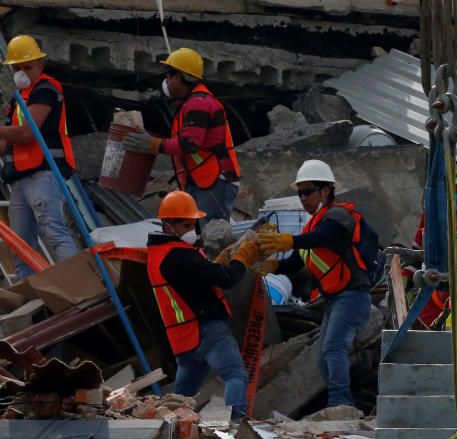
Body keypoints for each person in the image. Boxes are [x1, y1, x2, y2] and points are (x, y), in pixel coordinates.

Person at [257, 159, 372, 408]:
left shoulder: (337, 215)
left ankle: (341, 405)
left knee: (333, 348)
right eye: (299, 193)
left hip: (352, 297)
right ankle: (342, 404)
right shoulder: (312, 224)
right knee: (324, 357)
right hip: (336, 300)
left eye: (307, 192)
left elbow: (324, 237)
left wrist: (290, 240)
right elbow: (296, 262)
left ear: (326, 190)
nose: (303, 198)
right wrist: (273, 266)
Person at [147, 191, 253, 418]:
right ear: (168, 226)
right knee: (236, 375)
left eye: (193, 225)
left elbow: (196, 276)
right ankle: (237, 425)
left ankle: (169, 428)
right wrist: (242, 258)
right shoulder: (180, 256)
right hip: (206, 328)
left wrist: (214, 264)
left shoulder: (158, 255)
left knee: (181, 397)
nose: (192, 231)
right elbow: (227, 278)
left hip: (183, 339)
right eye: (186, 225)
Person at [123, 47, 240, 222]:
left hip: (214, 180)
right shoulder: (192, 102)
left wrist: (154, 145)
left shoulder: (198, 103)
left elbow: (190, 143)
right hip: (207, 180)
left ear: (178, 77)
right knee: (203, 238)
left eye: (169, 76)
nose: (166, 81)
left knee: (211, 237)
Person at [0, 35, 79, 279]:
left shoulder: (47, 90)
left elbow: (26, 132)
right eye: (17, 68)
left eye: (27, 67)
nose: (21, 73)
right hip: (20, 177)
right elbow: (4, 143)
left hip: (44, 173)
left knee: (53, 231)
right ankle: (30, 293)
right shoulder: (18, 99)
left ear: (40, 65)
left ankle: (78, 282)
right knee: (21, 243)